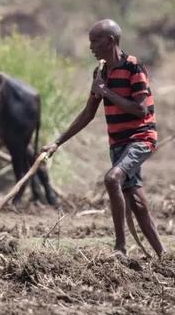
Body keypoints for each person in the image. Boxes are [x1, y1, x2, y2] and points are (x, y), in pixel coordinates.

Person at [42, 19, 164, 257]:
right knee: (137, 203)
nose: (90, 47)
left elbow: (141, 110)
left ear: (110, 41)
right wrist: (57, 142)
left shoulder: (134, 67)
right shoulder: (100, 72)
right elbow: (88, 114)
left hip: (141, 137)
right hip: (117, 143)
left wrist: (106, 91)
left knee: (112, 179)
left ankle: (120, 247)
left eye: (95, 41)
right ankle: (163, 255)